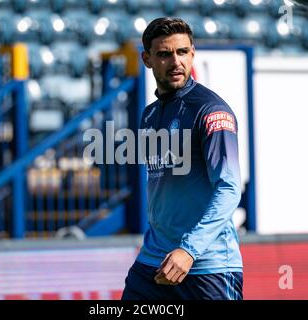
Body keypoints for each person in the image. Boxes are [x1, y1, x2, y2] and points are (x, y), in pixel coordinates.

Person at [121, 17, 243, 300]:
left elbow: (229, 188)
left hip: (207, 265)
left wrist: (189, 250)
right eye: (164, 54)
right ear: (147, 59)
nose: (175, 61)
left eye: (182, 52)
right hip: (154, 262)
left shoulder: (211, 112)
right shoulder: (149, 115)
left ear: (192, 54)